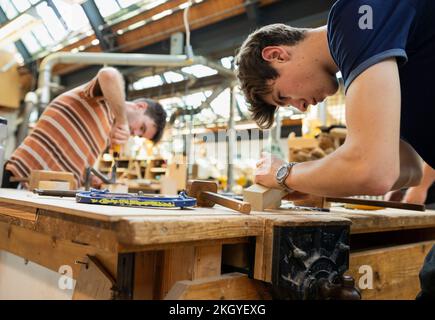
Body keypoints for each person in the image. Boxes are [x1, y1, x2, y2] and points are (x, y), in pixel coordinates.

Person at [235, 0, 434, 299]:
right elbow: (407, 170)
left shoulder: (352, 14)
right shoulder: (386, 60)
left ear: (276, 54)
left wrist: (284, 173)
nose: (299, 108)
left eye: (282, 97)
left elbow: (374, 171)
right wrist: (314, 180)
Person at [2, 67, 166, 189]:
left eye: (140, 135)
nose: (135, 133)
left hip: (41, 192)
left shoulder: (110, 130)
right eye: (142, 128)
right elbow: (108, 74)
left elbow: (69, 161)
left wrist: (88, 179)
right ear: (140, 107)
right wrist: (123, 121)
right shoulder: (102, 98)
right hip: (20, 179)